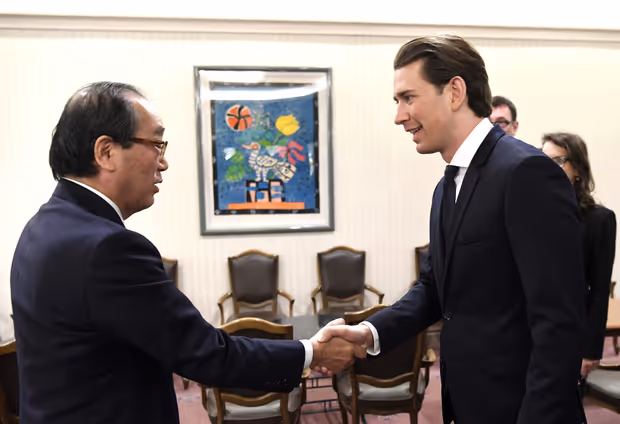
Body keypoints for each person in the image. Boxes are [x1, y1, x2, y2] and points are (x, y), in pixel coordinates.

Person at [10, 82, 364, 424]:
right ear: (106, 152)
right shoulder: (108, 248)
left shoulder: (42, 227)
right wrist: (313, 351)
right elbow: (206, 353)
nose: (163, 163)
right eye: (156, 144)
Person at [318, 35, 586, 424]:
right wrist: (370, 332)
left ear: (455, 92)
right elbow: (435, 288)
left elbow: (559, 321)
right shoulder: (446, 187)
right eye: (397, 101)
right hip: (468, 404)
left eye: (408, 98)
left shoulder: (525, 172)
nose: (399, 116)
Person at [542, 132, 617, 387]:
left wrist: (591, 349)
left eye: (557, 161)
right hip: (529, 331)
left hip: (570, 332)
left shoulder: (600, 220)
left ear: (578, 169)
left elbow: (599, 291)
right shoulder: (531, 214)